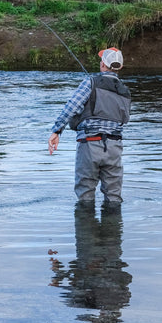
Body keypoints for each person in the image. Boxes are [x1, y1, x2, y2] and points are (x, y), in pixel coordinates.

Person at [48, 47, 131, 205]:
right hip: (115, 146)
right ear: (119, 67)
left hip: (89, 144)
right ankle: (113, 228)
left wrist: (57, 130)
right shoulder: (125, 91)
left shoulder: (90, 82)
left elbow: (71, 107)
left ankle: (86, 227)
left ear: (102, 64)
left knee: (85, 195)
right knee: (114, 198)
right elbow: (125, 118)